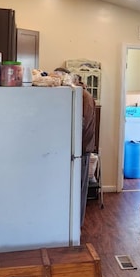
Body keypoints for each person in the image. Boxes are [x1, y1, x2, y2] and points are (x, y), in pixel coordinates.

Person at [54, 68, 96, 225]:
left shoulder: (82, 96)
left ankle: (76, 229)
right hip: (77, 149)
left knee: (78, 191)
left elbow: (81, 125)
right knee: (74, 190)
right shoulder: (76, 95)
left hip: (81, 150)